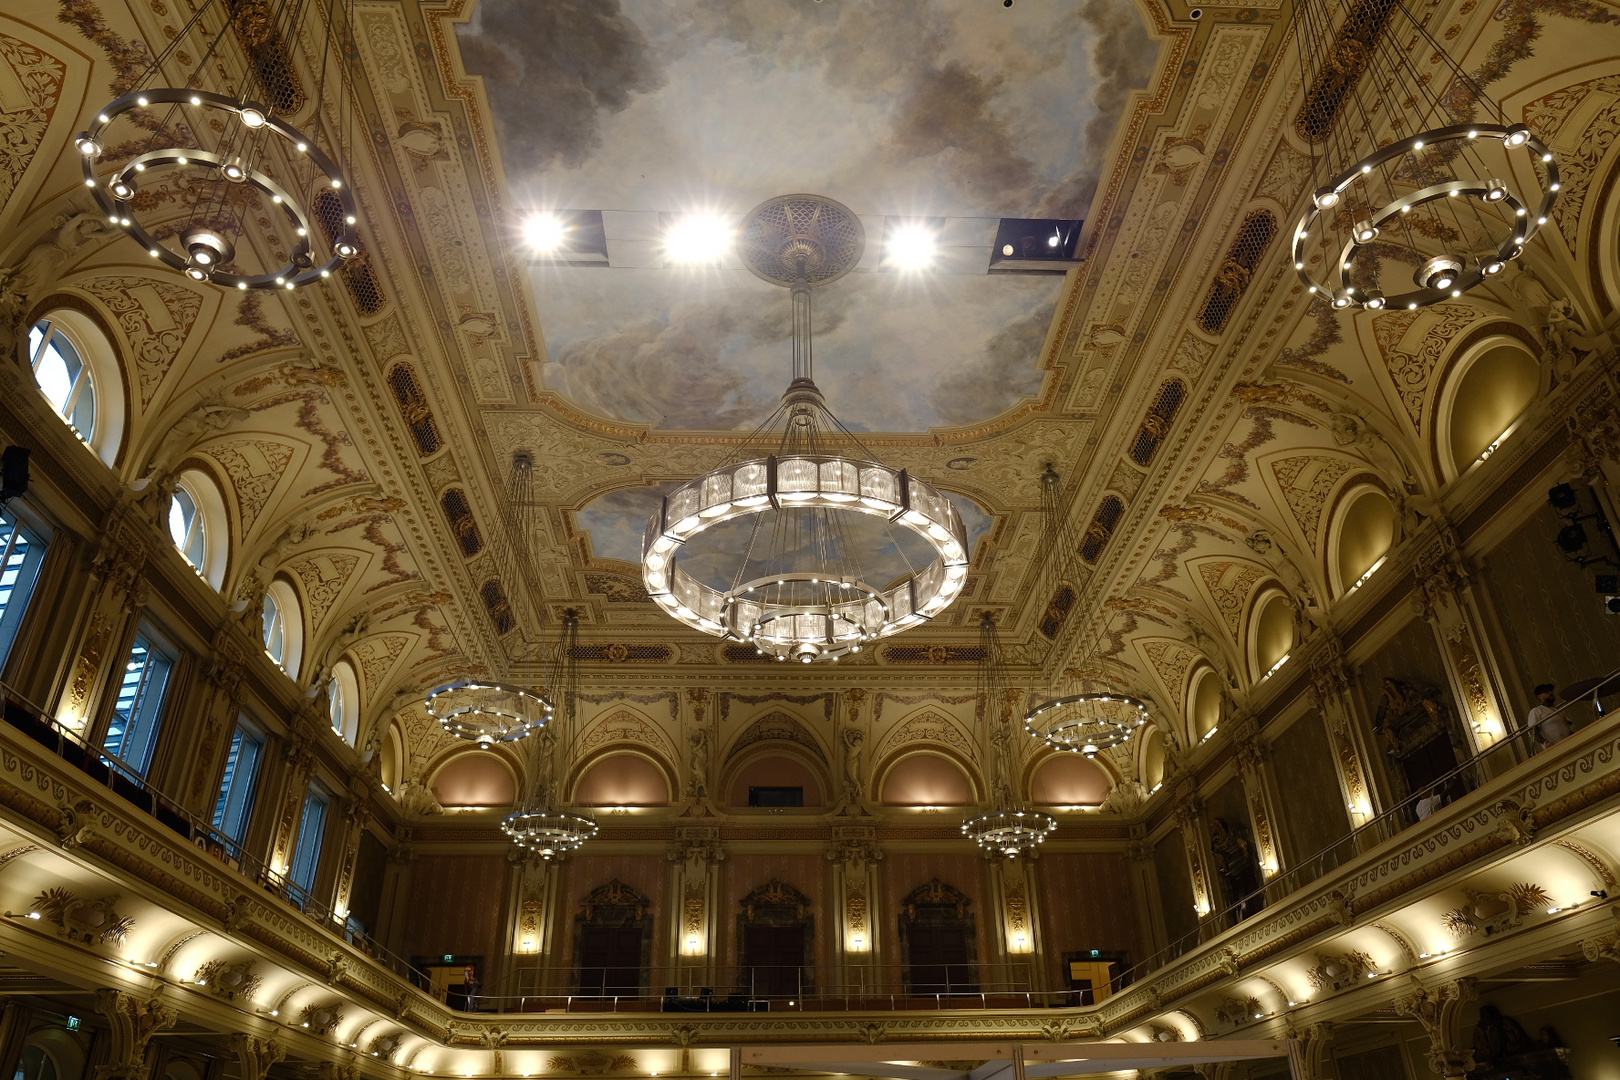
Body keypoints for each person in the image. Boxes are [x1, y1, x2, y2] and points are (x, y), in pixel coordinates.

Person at [1528, 684, 1572, 748]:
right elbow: (1532, 732)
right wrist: (1545, 743)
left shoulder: (1556, 710)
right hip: (1554, 747)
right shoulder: (1536, 711)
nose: (1550, 693)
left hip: (1568, 742)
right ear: (1539, 697)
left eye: (1551, 691)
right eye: (1546, 692)